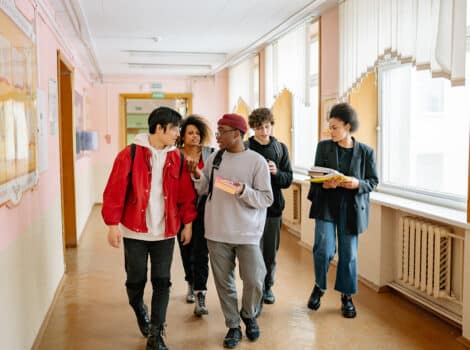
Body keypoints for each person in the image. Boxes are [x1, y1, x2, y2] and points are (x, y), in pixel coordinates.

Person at [101, 107, 197, 350]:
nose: (178, 133)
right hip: (135, 231)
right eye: (175, 128)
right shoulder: (129, 154)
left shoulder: (178, 158)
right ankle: (139, 309)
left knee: (162, 281)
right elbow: (114, 190)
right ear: (160, 128)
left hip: (165, 232)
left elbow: (185, 195)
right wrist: (112, 225)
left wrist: (187, 224)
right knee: (136, 280)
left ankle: (156, 332)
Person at [187, 113, 273, 348]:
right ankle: (233, 325)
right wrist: (196, 175)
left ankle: (249, 314)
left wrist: (242, 190)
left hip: (247, 233)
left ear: (236, 134)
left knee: (255, 280)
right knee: (224, 283)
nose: (217, 136)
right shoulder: (216, 158)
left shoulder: (257, 162)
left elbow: (266, 198)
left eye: (221, 131)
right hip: (217, 232)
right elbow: (204, 188)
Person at [306, 102, 378, 318]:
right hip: (326, 205)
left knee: (349, 255)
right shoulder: (323, 147)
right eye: (330, 127)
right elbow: (315, 174)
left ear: (348, 126)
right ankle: (319, 285)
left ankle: (346, 296)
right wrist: (323, 182)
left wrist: (357, 184)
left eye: (335, 127)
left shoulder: (366, 152)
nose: (331, 131)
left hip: (352, 209)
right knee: (323, 249)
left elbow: (373, 181)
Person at [246, 108, 293, 304]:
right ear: (253, 128)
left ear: (272, 125)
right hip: (249, 208)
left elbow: (288, 179)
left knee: (269, 252)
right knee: (252, 251)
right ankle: (254, 287)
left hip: (273, 209)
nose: (264, 131)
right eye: (259, 128)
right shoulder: (245, 147)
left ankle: (267, 287)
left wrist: (276, 172)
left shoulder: (280, 148)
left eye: (267, 127)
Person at [176, 115, 213, 316]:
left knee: (201, 253)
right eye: (190, 133)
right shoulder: (175, 155)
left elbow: (212, 183)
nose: (194, 137)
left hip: (204, 211)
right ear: (182, 135)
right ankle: (190, 281)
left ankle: (200, 293)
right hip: (180, 211)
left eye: (198, 133)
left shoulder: (209, 154)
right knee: (185, 249)